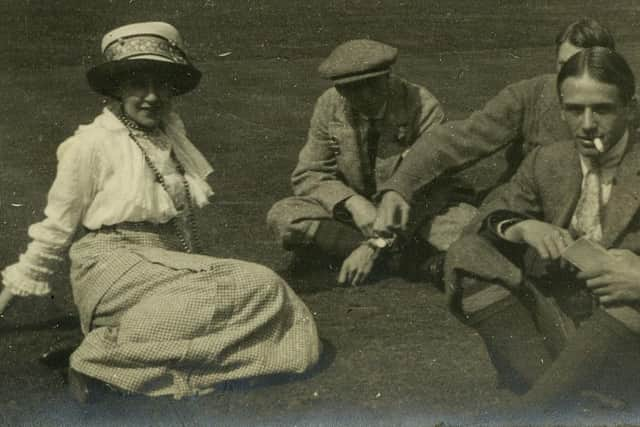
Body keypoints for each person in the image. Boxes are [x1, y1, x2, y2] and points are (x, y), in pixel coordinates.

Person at [0, 22, 321, 402]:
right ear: (118, 88)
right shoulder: (91, 144)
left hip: (161, 266)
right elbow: (55, 228)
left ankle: (121, 350)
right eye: (138, 84)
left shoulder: (170, 135)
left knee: (266, 295)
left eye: (161, 85)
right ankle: (99, 359)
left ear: (173, 89)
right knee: (256, 283)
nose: (151, 97)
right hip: (111, 266)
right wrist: (6, 298)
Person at [444, 47, 640, 412]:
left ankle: (533, 409)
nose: (587, 124)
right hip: (566, 332)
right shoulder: (549, 161)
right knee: (468, 254)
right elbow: (487, 216)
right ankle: (571, 396)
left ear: (630, 106)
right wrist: (522, 227)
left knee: (626, 300)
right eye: (574, 109)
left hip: (627, 337)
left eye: (602, 109)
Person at [372, 19, 617, 267]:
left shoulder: (625, 107)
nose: (570, 77)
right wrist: (399, 187)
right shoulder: (531, 94)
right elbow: (458, 139)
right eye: (564, 65)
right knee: (458, 228)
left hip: (591, 214)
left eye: (583, 67)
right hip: (522, 210)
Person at [267, 39, 476, 286]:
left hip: (416, 208)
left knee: (466, 230)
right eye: (352, 88)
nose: (364, 95)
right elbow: (309, 173)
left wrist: (374, 244)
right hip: (358, 214)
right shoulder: (330, 104)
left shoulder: (422, 105)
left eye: (372, 84)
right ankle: (409, 261)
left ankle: (371, 256)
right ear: (340, 89)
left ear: (388, 77)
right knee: (284, 214)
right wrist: (352, 203)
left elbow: (427, 183)